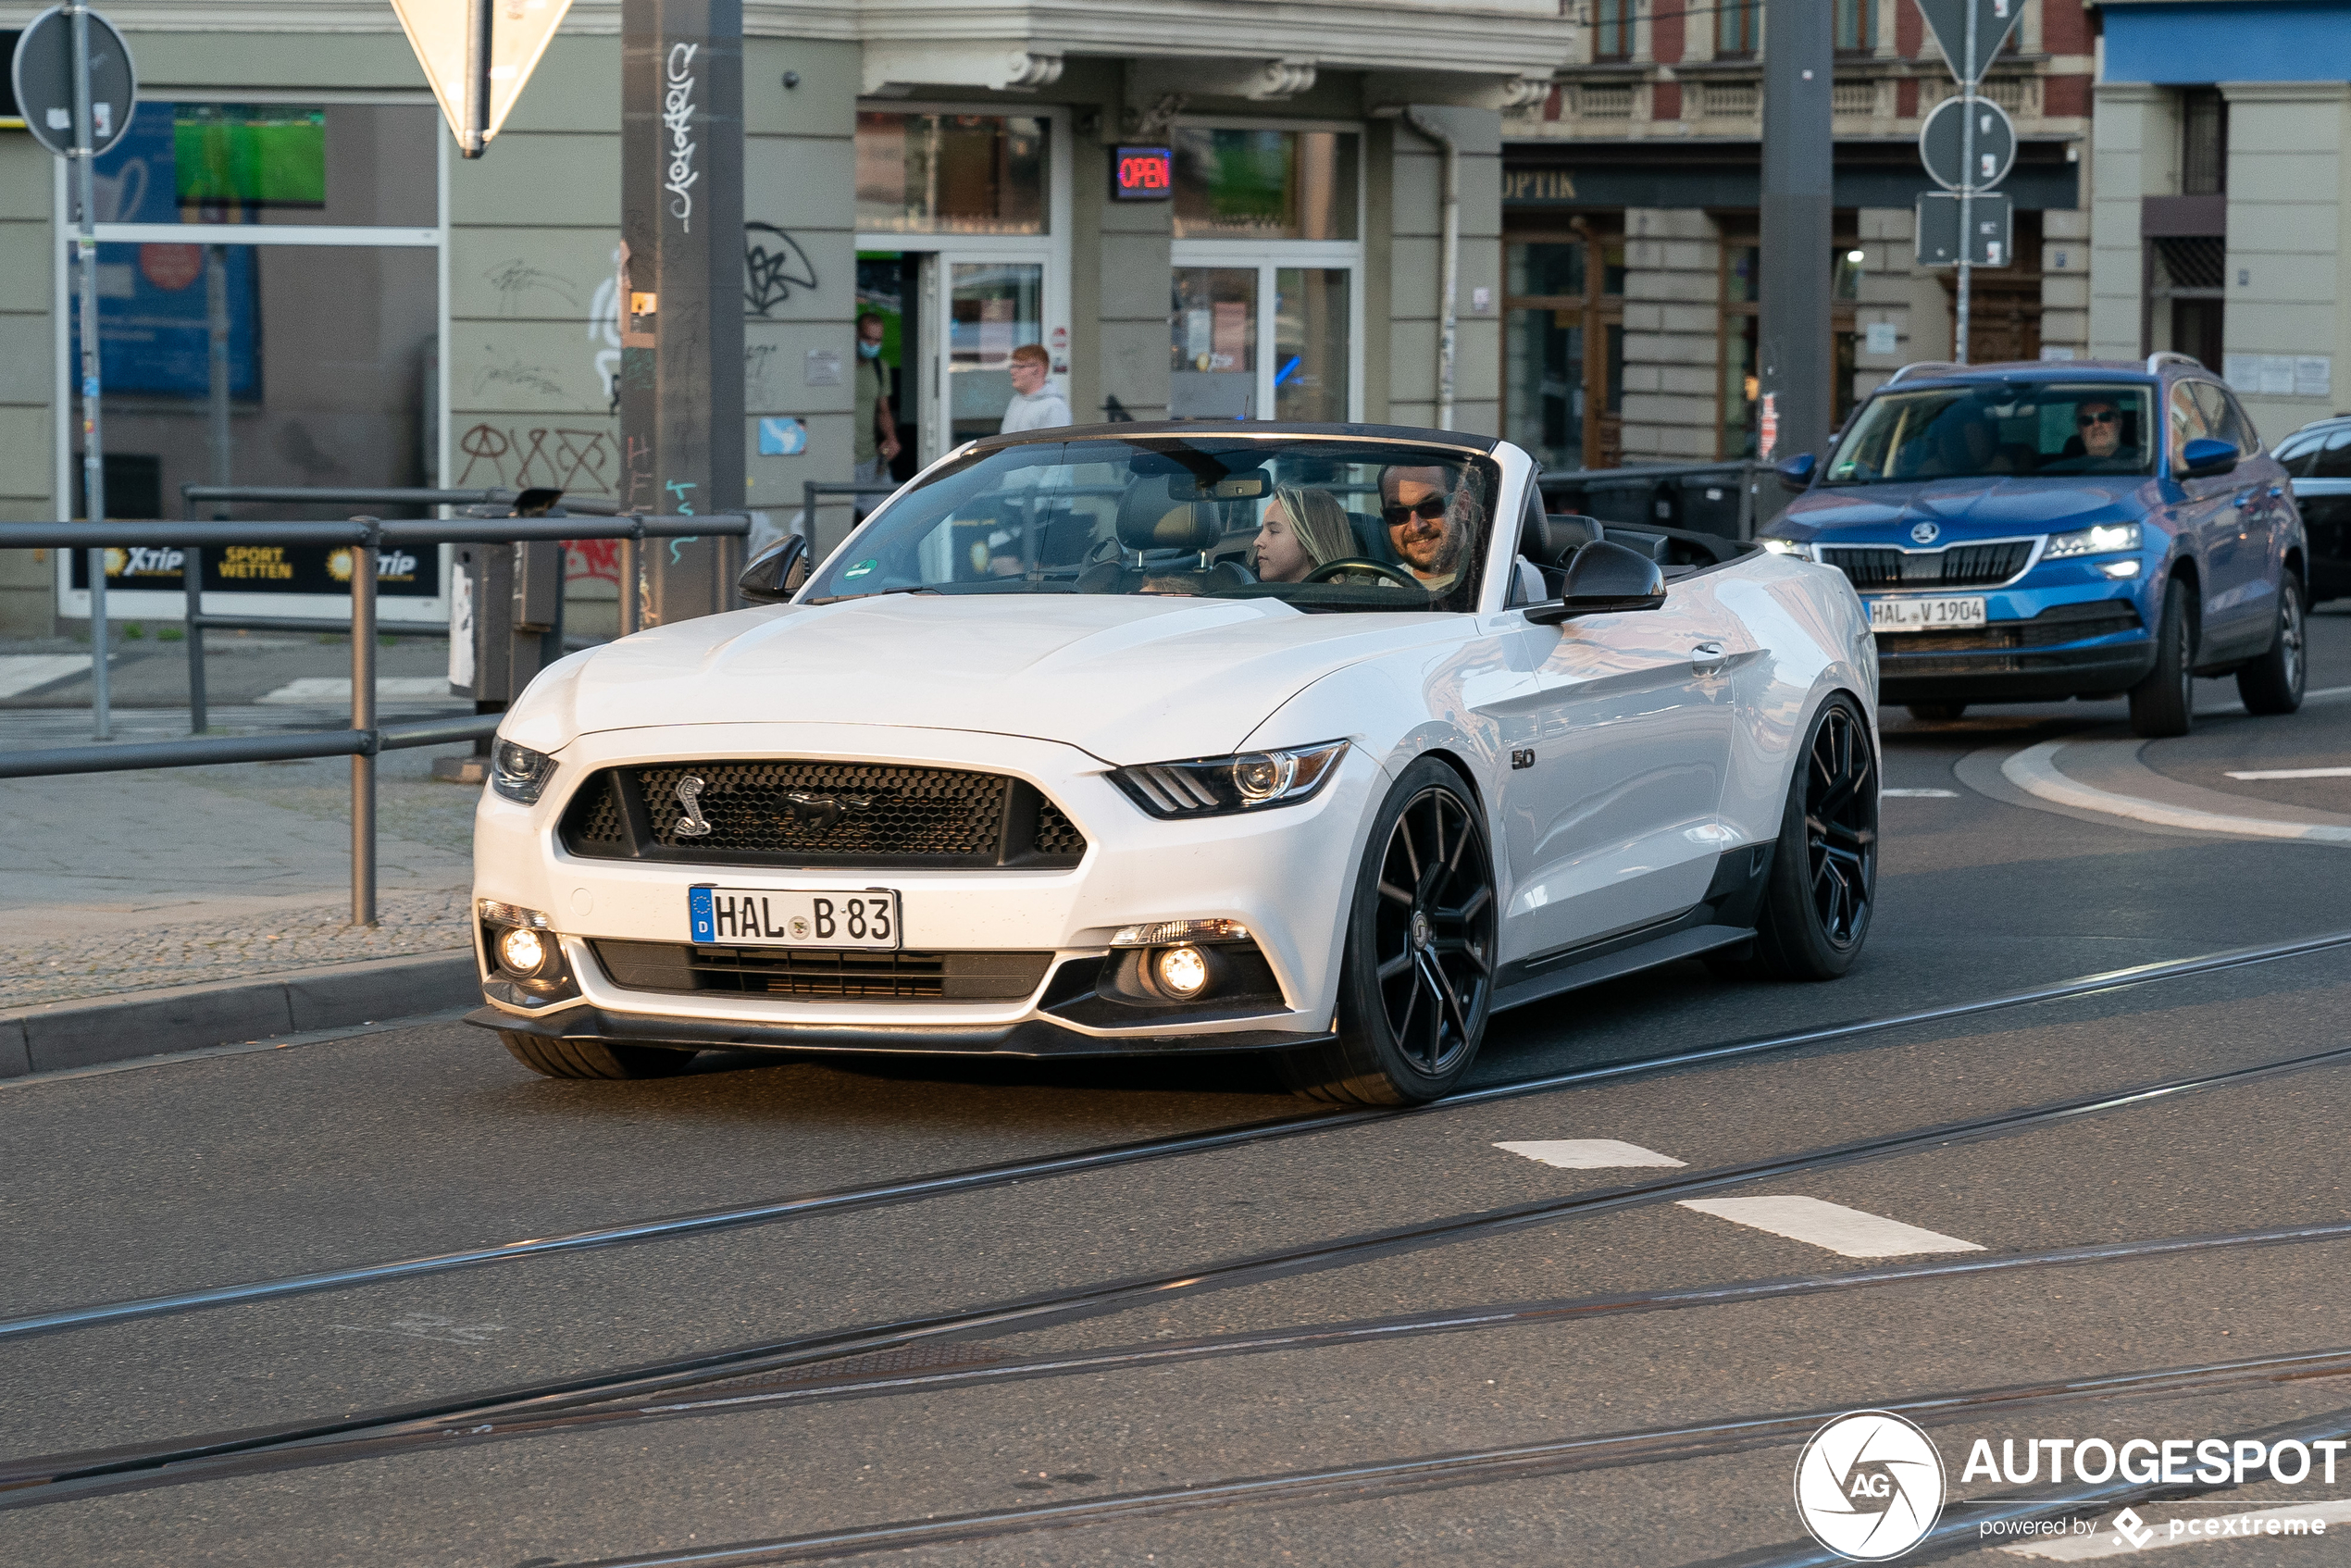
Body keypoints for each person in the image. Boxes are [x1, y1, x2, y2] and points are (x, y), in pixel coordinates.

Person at [1380, 465, 1469, 592]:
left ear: (1462, 506)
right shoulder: (1377, 588)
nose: (1416, 526)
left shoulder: (1495, 582)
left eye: (1431, 507)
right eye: (1398, 514)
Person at [1251, 485, 1358, 583]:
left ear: (1313, 541)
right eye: (1262, 530)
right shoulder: (1247, 596)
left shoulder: (1356, 601)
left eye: (1273, 531)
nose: (1257, 542)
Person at [852, 312, 900, 508]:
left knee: (888, 516)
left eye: (877, 340)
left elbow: (883, 410)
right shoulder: (843, 367)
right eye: (867, 338)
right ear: (856, 335)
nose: (872, 345)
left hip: (871, 460)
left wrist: (891, 438)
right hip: (842, 462)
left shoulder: (880, 368)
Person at [1000, 343, 1073, 433]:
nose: (1012, 371)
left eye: (1019, 367)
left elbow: (1054, 446)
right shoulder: (1016, 401)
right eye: (1012, 366)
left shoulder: (1054, 407)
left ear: (1038, 370)